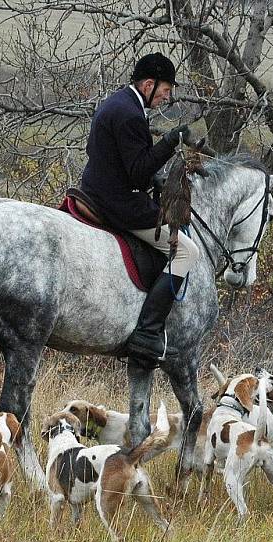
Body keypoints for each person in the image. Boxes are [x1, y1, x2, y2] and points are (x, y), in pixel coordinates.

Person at [78, 52, 200, 366]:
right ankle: (147, 332)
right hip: (117, 202)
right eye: (165, 91)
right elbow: (137, 171)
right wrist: (171, 141)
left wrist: (157, 177)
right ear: (148, 84)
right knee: (187, 252)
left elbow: (125, 162)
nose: (166, 97)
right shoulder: (131, 115)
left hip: (98, 189)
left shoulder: (118, 102)